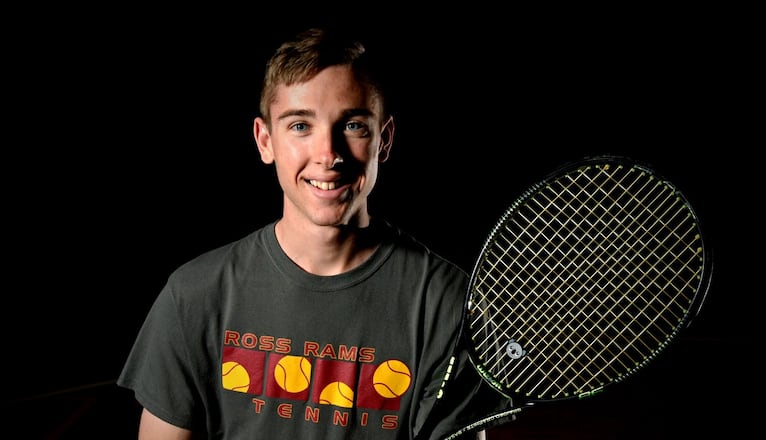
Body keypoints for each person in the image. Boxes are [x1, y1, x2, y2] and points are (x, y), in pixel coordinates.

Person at [117, 26, 511, 439]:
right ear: (265, 141)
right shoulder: (193, 296)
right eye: (300, 126)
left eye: (354, 125)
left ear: (384, 140)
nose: (328, 154)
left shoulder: (446, 304)